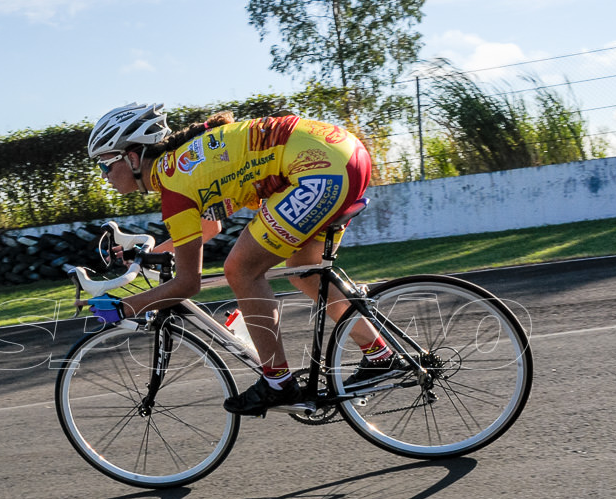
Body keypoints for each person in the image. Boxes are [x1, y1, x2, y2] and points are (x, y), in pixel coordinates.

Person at [86, 102, 403, 417]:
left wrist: (123, 308)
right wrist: (147, 256)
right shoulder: (181, 168)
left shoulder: (175, 186)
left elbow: (187, 283)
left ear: (131, 157)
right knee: (303, 272)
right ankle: (380, 356)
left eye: (104, 165)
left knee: (241, 269)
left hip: (320, 168)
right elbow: (209, 227)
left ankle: (277, 382)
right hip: (343, 155)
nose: (104, 176)